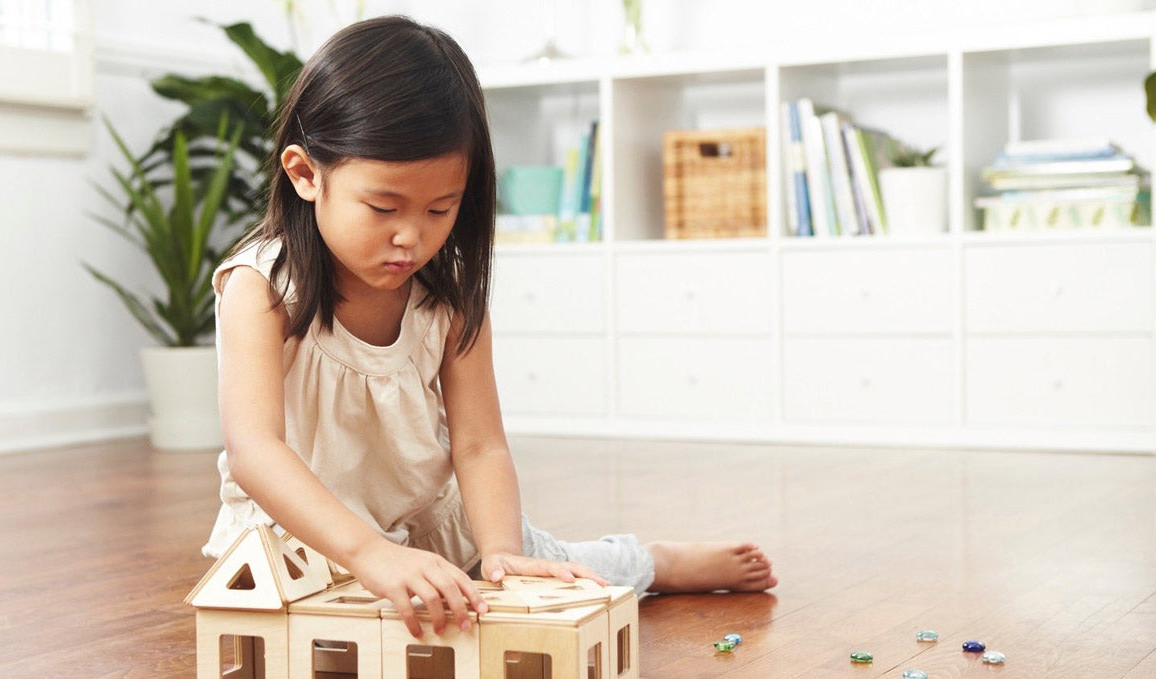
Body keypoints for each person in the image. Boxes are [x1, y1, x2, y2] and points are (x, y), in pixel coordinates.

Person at [206, 15, 776, 638]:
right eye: (383, 207)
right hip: (304, 539)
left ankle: (652, 563)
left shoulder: (444, 298)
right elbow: (255, 451)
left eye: (440, 209)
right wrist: (372, 554)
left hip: (431, 527)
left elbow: (480, 445)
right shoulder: (261, 288)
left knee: (553, 567)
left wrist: (502, 554)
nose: (411, 236)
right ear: (305, 174)